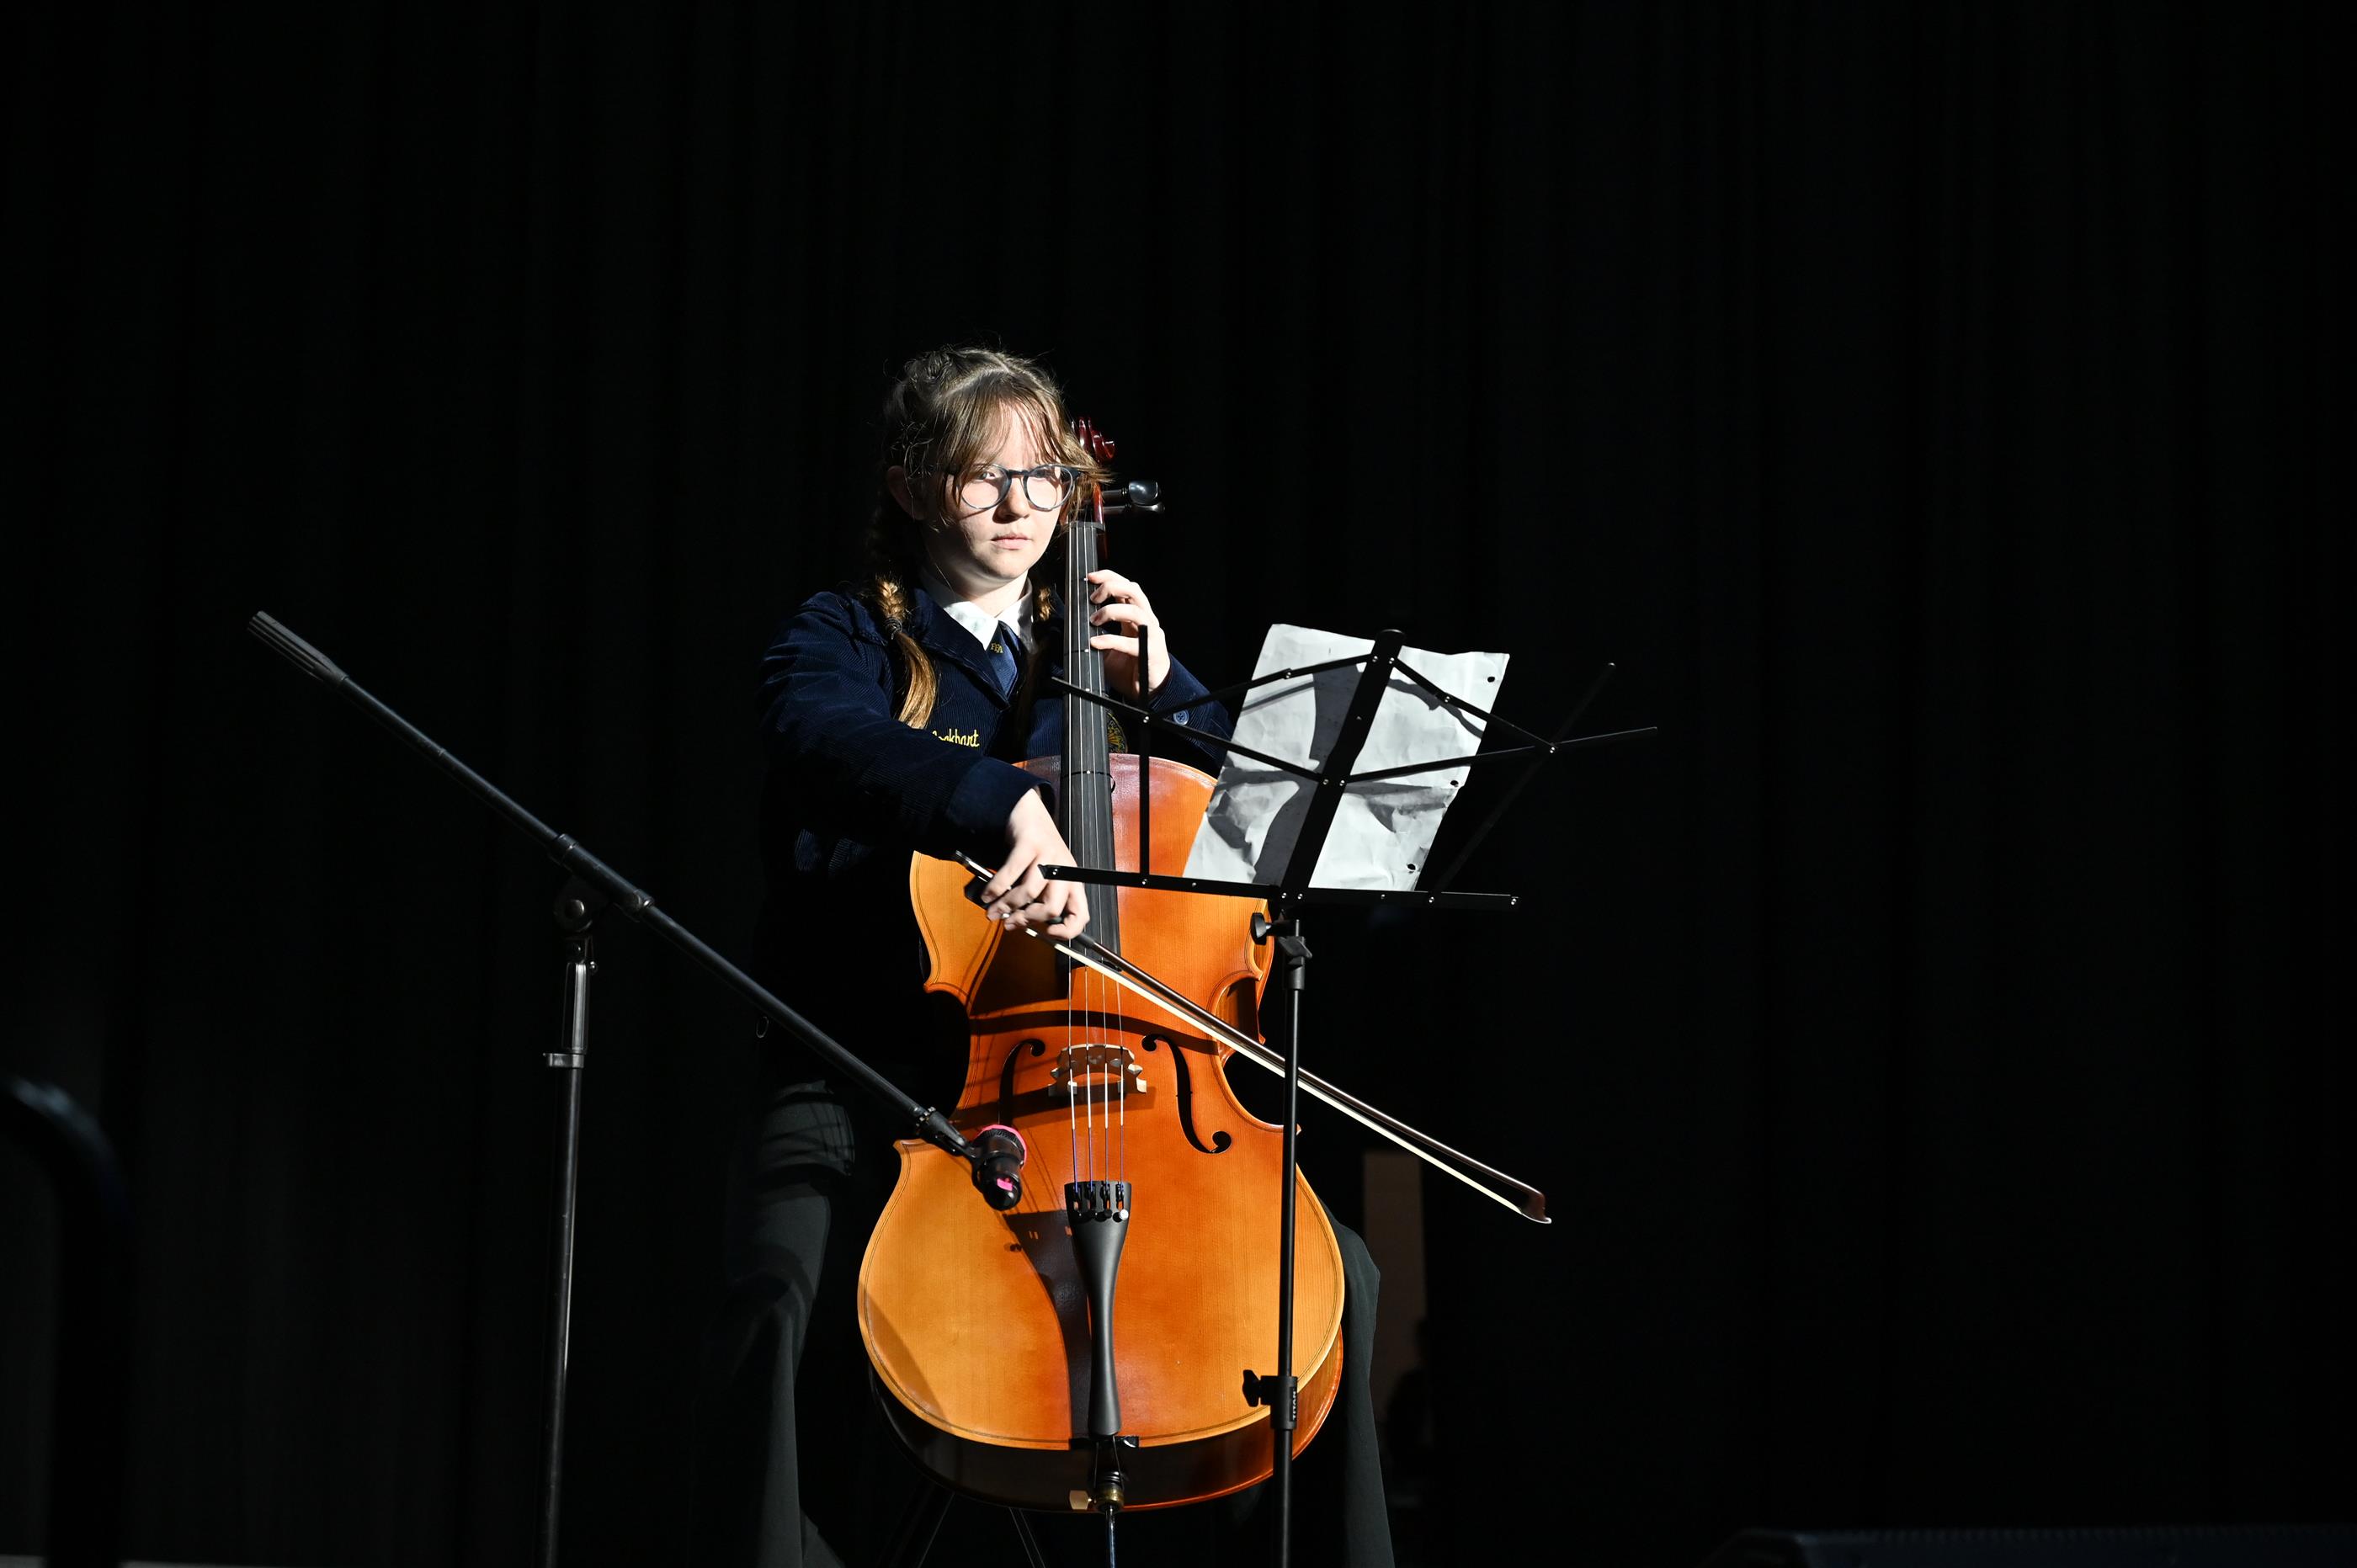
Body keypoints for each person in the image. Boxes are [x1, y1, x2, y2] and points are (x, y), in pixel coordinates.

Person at [691, 345, 1392, 1568]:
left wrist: (1170, 691)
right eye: (984, 476)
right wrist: (998, 801)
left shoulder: (1104, 652)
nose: (1021, 505)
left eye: (1043, 476)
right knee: (778, 1290)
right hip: (876, 1069)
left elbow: (1267, 836)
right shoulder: (849, 635)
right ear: (912, 488)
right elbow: (819, 732)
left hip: (1111, 1081)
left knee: (1336, 1280)